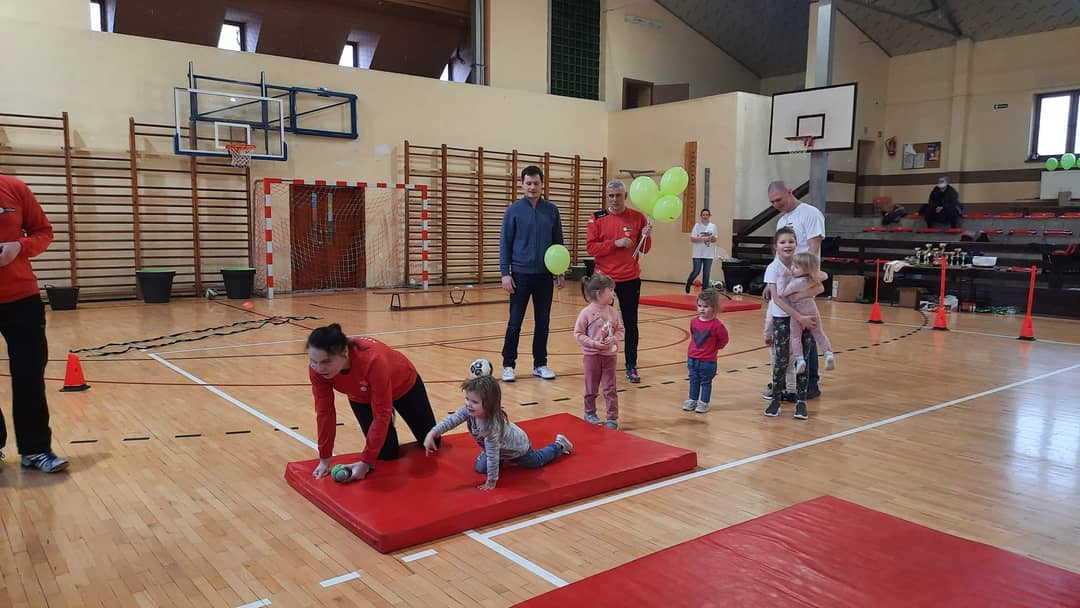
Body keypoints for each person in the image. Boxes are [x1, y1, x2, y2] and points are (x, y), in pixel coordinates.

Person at [306, 324, 438, 482]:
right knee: (386, 454)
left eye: (326, 361)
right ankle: (387, 420)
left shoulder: (372, 360)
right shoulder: (316, 370)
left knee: (432, 442)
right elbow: (324, 413)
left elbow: (381, 414)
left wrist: (365, 463)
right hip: (362, 397)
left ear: (345, 353)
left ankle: (389, 414)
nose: (319, 368)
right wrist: (325, 458)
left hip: (403, 387)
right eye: (313, 361)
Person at [0, 173, 68, 473]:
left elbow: (43, 231)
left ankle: (36, 449)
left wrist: (20, 247)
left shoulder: (13, 188)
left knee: (29, 375)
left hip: (21, 299)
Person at [423, 375, 573, 490]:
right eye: (467, 399)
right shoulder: (468, 411)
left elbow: (492, 456)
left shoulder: (491, 427)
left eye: (474, 402)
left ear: (489, 405)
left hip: (518, 449)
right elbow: (451, 420)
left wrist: (491, 481)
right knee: (480, 468)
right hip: (498, 448)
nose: (468, 404)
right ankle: (501, 457)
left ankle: (559, 445)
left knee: (536, 462)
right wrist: (433, 433)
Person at [499, 165, 566, 383]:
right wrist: (505, 273)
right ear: (522, 185)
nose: (532, 187)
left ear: (542, 184)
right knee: (515, 322)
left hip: (544, 276)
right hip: (520, 275)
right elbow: (505, 243)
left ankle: (540, 364)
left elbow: (558, 243)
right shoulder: (513, 211)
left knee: (543, 322)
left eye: (536, 183)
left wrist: (560, 271)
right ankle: (508, 365)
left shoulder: (552, 211)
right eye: (528, 183)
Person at [586, 179, 651, 383]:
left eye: (618, 195)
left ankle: (631, 365)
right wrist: (616, 243)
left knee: (631, 323)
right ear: (606, 196)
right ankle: (600, 365)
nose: (614, 199)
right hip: (604, 281)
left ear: (626, 196)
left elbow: (644, 249)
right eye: (611, 196)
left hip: (630, 278)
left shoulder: (638, 217)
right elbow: (591, 248)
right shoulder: (597, 217)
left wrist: (647, 236)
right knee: (601, 324)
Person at [764, 181, 825, 399]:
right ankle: (785, 382)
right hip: (785, 283)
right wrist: (770, 284)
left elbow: (814, 248)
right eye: (772, 202)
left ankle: (810, 382)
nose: (776, 204)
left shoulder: (810, 213)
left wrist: (803, 275)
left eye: (778, 199)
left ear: (790, 192)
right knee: (786, 334)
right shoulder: (782, 221)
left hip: (803, 280)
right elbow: (779, 254)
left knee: (806, 329)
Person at [763, 228, 821, 420]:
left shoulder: (802, 263)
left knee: (802, 359)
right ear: (776, 246)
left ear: (796, 243)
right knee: (780, 360)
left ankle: (801, 401)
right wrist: (799, 317)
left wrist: (803, 296)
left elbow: (819, 285)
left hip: (805, 316)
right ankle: (776, 399)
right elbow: (777, 299)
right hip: (783, 319)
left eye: (791, 241)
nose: (787, 245)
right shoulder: (773, 268)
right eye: (783, 242)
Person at [573, 274, 624, 429]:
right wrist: (594, 343)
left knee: (610, 388)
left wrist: (614, 339)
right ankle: (590, 413)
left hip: (610, 357)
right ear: (599, 293)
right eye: (611, 290)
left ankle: (612, 418)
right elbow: (578, 334)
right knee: (591, 387)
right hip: (592, 356)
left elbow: (620, 330)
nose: (614, 293)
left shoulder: (613, 312)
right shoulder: (586, 313)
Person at [779, 252, 836, 375]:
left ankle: (800, 359)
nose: (792, 268)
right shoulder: (812, 279)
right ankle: (828, 353)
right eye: (793, 265)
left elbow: (782, 293)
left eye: (796, 267)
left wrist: (783, 278)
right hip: (811, 309)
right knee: (819, 333)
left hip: (798, 312)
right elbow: (823, 278)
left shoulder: (796, 283)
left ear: (806, 269)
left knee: (795, 337)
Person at [683, 288, 729, 414]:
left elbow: (724, 339)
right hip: (692, 358)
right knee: (693, 380)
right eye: (699, 306)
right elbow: (693, 335)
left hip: (708, 361)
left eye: (706, 306)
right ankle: (692, 399)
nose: (702, 309)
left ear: (714, 307)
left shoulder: (717, 325)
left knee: (705, 382)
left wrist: (714, 348)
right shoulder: (693, 321)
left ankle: (704, 402)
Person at [684, 209, 717, 292]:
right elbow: (692, 239)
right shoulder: (697, 226)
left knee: (706, 273)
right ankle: (689, 282)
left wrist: (712, 238)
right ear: (701, 216)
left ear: (709, 216)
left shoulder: (713, 226)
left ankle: (704, 291)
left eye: (707, 215)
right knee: (696, 271)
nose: (705, 216)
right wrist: (704, 238)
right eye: (703, 215)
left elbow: (715, 240)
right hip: (697, 254)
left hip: (709, 254)